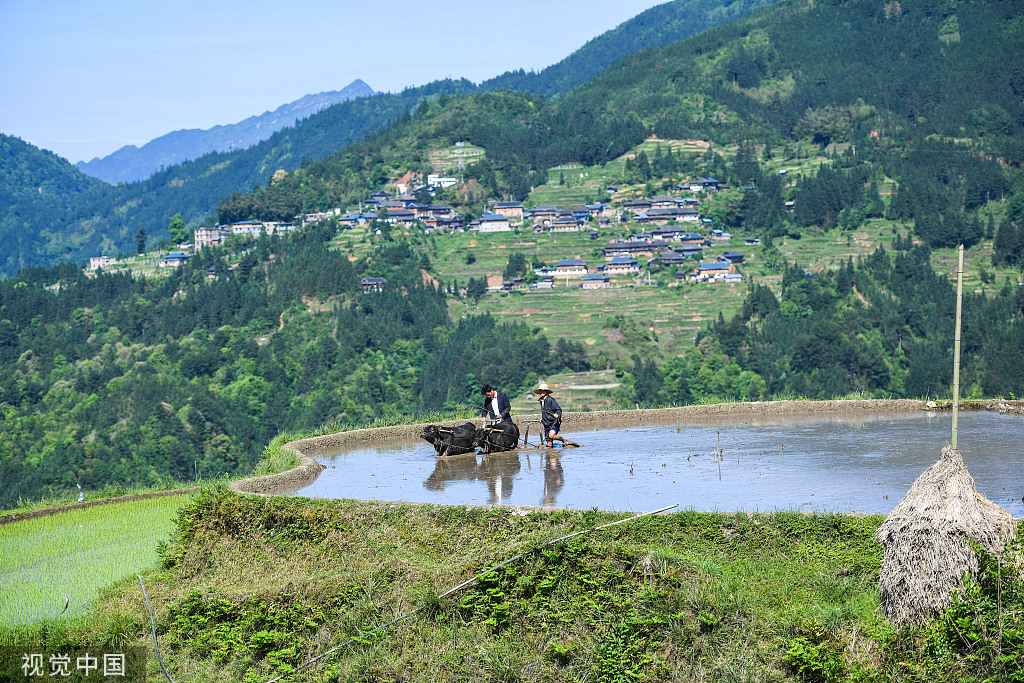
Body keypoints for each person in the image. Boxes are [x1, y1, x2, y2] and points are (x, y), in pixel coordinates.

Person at [535, 381, 570, 448]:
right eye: (541, 391)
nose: (542, 392)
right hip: (546, 423)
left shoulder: (551, 400)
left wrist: (557, 414)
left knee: (552, 436)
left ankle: (563, 440)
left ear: (547, 392)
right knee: (549, 444)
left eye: (544, 391)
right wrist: (543, 418)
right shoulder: (541, 401)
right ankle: (552, 456)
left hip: (553, 422)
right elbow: (545, 412)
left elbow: (558, 409)